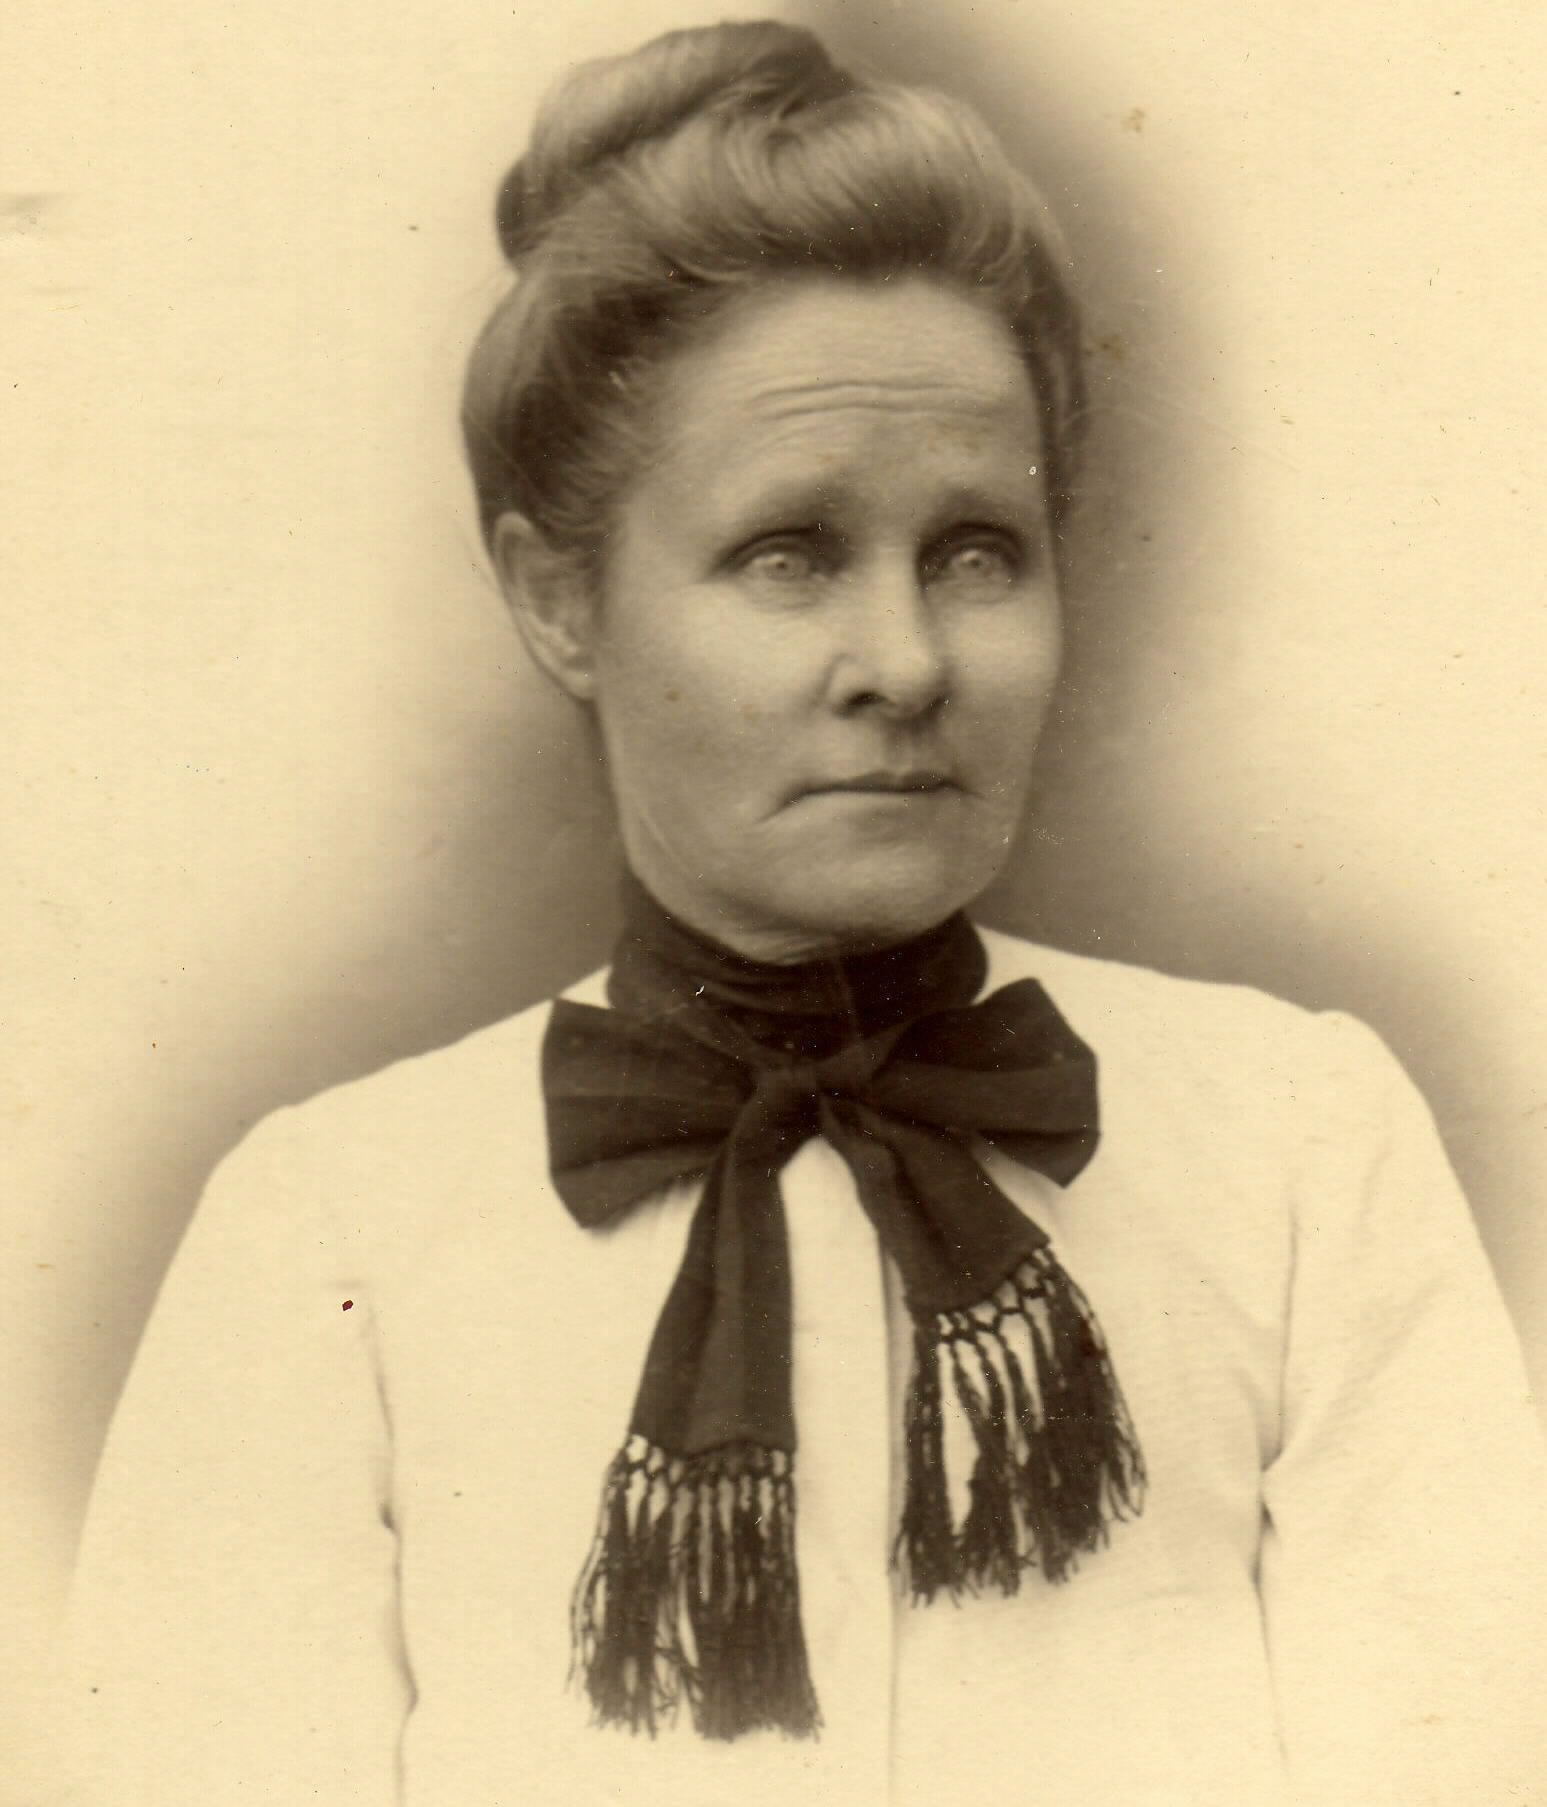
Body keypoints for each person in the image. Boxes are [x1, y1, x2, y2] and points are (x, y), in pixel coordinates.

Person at [56, 20, 1547, 1807]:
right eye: (789, 555)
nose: (906, 662)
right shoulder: (326, 1235)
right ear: (558, 601)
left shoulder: (1304, 1151)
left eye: (977, 552)